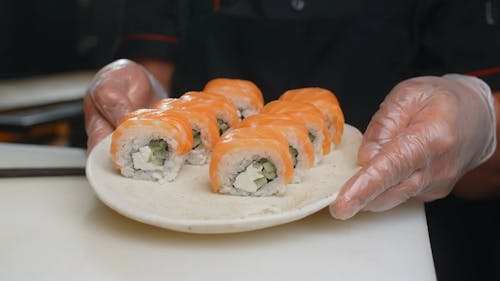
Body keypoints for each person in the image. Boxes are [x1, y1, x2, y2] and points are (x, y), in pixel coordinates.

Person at [84, 1, 499, 278]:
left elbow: (489, 156)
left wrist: (481, 124)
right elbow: (151, 68)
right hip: (181, 250)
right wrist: (145, 103)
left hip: (388, 246)